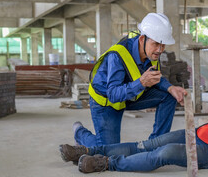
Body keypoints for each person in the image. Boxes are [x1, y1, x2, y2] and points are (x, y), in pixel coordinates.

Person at [60, 39, 208, 177]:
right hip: (206, 135)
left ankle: (106, 163)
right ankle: (88, 151)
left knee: (165, 153)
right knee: (151, 143)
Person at [74, 13, 187, 147]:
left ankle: (155, 145)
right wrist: (141, 83)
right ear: (142, 39)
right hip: (106, 102)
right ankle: (79, 133)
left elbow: (155, 77)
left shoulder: (151, 53)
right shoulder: (117, 56)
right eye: (156, 44)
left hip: (130, 96)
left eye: (163, 45)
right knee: (107, 152)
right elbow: (113, 94)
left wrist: (171, 88)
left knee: (168, 96)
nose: (160, 50)